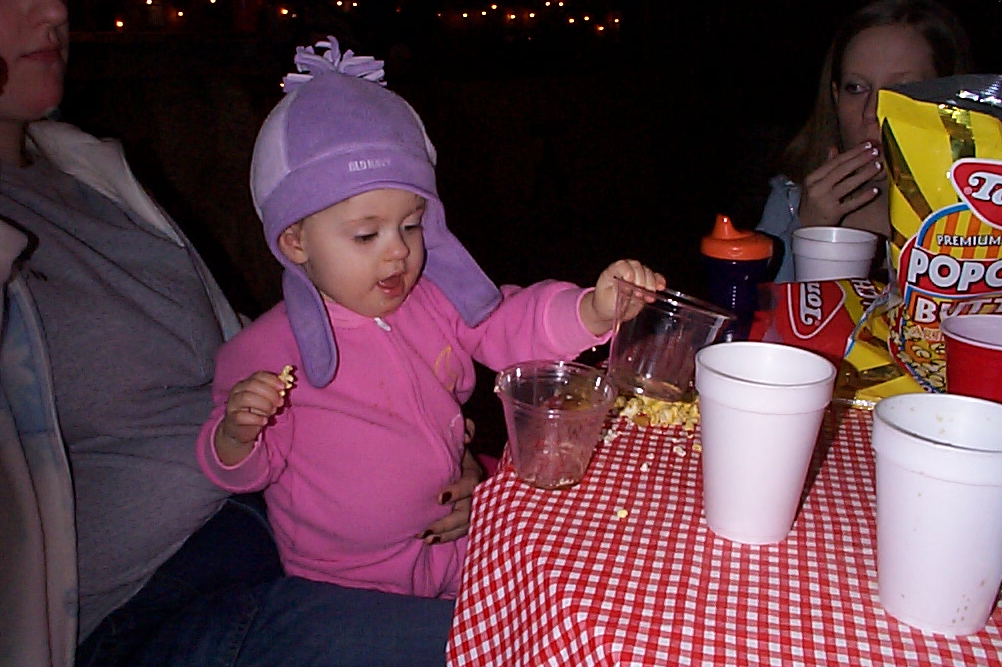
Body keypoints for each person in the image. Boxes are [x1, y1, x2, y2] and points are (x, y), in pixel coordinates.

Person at [0, 0, 480, 667]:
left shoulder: (89, 174)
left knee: (549, 578)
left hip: (285, 539)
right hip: (125, 633)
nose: (53, 9)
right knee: (515, 661)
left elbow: (267, 378)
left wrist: (423, 465)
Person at [196, 38, 665, 599]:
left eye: (411, 225)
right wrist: (237, 433)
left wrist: (591, 309)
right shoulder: (270, 350)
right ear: (295, 240)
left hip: (452, 547)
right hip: (346, 586)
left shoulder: (436, 299)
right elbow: (240, 473)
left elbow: (509, 323)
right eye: (366, 235)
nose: (398, 251)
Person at [757, 0, 972, 281]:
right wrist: (806, 232)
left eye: (900, 91)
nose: (872, 111)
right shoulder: (791, 200)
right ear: (836, 98)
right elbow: (749, 304)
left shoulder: (985, 209)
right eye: (856, 88)